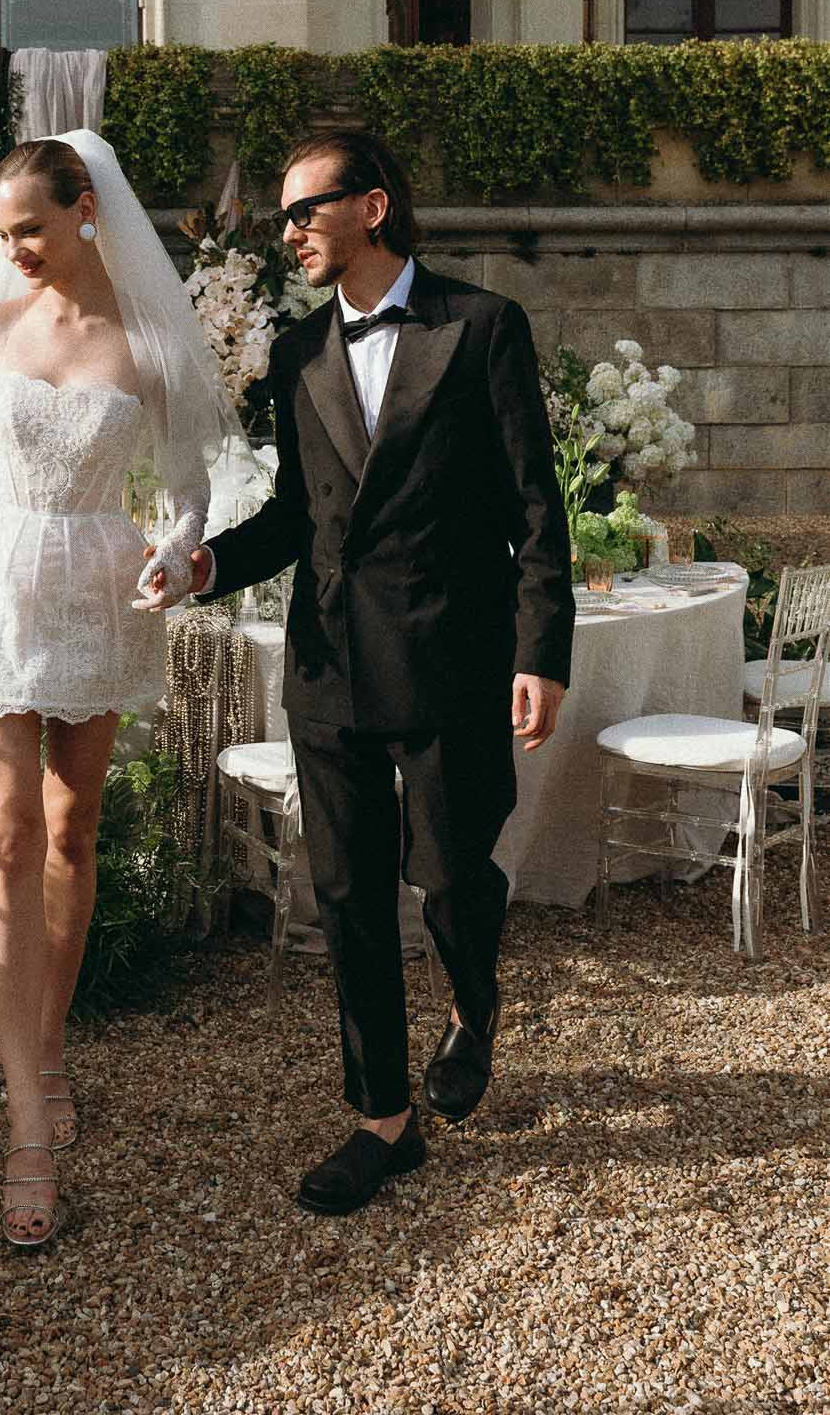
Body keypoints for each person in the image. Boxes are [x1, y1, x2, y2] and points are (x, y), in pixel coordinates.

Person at [186, 129, 574, 1216]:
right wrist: (209, 561)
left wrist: (541, 651)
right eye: (282, 217)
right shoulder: (296, 354)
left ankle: (474, 998)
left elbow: (537, 510)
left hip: (452, 654)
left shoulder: (483, 326)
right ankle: (382, 1120)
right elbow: (296, 516)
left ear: (373, 206)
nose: (289, 232)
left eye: (304, 210)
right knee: (349, 894)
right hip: (326, 664)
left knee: (450, 873)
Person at [0, 131, 252, 1249]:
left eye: (32, 229)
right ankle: (24, 1127)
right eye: (3, 236)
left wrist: (178, 547)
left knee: (71, 832)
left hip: (98, 591)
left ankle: (49, 1047)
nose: (16, 251)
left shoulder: (149, 336)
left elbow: (197, 484)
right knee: (4, 839)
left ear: (84, 208)